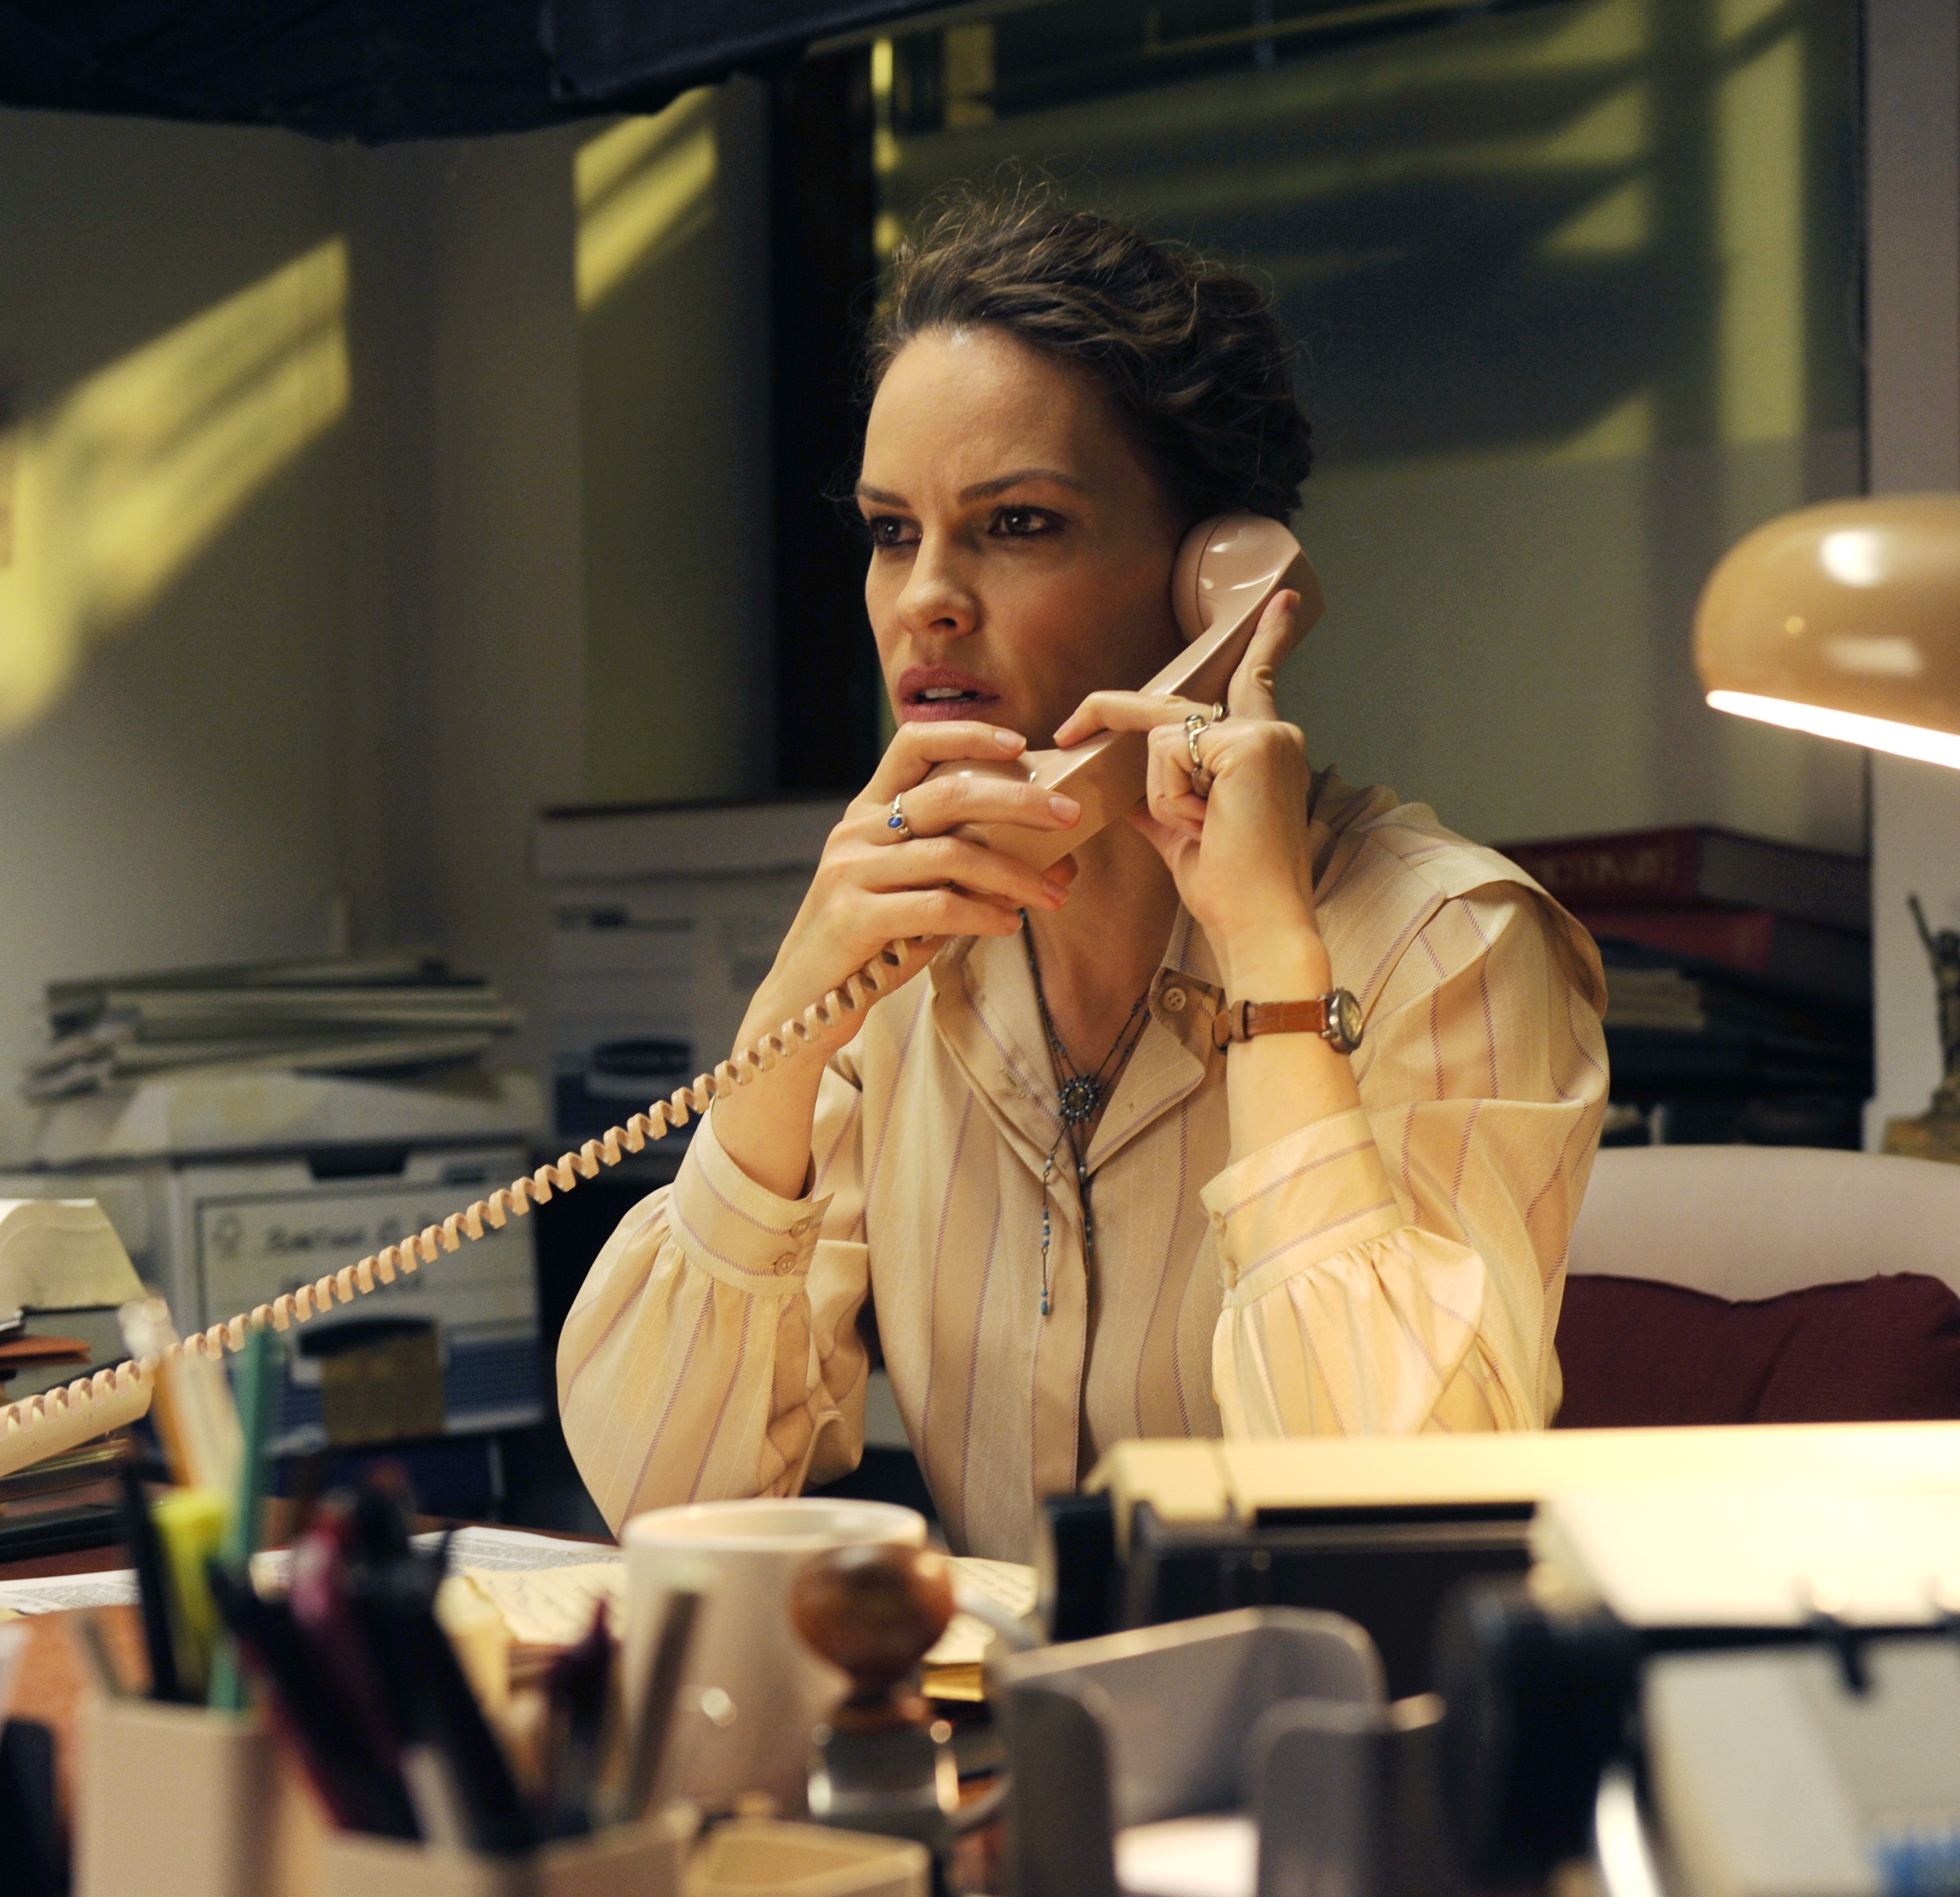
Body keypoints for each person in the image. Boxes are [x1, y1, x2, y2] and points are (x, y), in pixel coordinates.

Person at [557, 194, 1610, 1562]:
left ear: (1215, 585)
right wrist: (789, 1023)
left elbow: (1389, 1519)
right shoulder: (903, 961)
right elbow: (667, 1499)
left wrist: (1272, 967)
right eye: (892, 533)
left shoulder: (1445, 947)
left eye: (1016, 524)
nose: (925, 599)